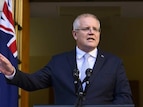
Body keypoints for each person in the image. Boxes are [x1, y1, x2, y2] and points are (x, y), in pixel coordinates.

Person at [0, 13, 133, 105]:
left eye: (95, 29)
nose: (91, 32)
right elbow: (34, 82)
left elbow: (124, 97)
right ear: (75, 34)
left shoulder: (114, 63)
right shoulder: (59, 62)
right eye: (86, 29)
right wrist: (11, 72)